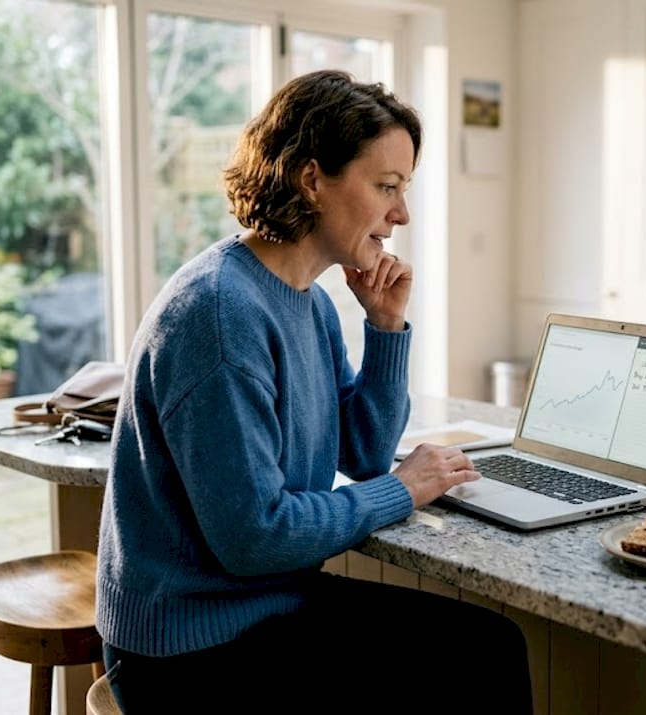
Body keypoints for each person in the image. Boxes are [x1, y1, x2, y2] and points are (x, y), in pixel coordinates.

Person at [95, 69, 533, 714]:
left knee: (488, 646)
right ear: (311, 180)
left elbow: (362, 452)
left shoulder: (310, 301)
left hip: (263, 607)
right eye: (386, 186)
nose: (401, 213)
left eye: (403, 189)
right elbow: (255, 538)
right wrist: (403, 489)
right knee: (481, 656)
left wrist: (385, 327)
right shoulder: (220, 314)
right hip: (187, 651)